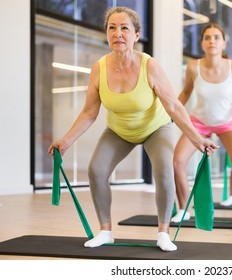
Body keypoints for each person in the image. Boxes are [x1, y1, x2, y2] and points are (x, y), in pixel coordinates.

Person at [47, 7, 218, 252]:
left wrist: (197, 139)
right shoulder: (99, 68)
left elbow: (173, 105)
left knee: (164, 170)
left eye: (124, 28)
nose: (118, 33)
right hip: (119, 131)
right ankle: (105, 231)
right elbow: (89, 113)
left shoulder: (150, 65)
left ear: (137, 35)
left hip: (155, 128)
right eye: (112, 28)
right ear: (106, 33)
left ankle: (163, 233)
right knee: (96, 171)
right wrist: (64, 142)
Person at [171, 23, 232, 225]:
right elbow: (186, 92)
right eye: (207, 37)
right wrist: (171, 109)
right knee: (178, 161)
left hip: (228, 121)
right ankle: (183, 209)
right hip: (199, 122)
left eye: (216, 37)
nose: (212, 41)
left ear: (224, 43)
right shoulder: (193, 67)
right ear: (202, 43)